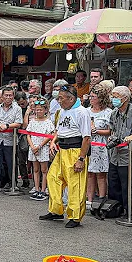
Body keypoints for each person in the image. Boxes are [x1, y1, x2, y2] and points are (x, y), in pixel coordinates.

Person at [39, 84, 91, 228]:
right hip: (62, 149)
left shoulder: (82, 112)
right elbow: (59, 129)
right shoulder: (62, 111)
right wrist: (53, 141)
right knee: (54, 178)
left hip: (75, 150)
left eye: (61, 98)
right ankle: (56, 210)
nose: (59, 101)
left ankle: (75, 216)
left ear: (71, 98)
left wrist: (81, 158)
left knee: (75, 184)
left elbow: (86, 138)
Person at [106, 85, 132, 217]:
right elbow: (112, 129)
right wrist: (111, 137)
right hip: (115, 153)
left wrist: (131, 138)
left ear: (125, 98)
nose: (113, 99)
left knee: (128, 183)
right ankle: (115, 208)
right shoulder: (114, 112)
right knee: (113, 181)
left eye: (115, 97)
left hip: (129, 153)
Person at [0, 87, 23, 192]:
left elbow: (19, 123)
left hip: (10, 140)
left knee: (11, 163)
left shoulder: (17, 109)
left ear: (13, 96)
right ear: (2, 96)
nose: (8, 97)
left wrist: (7, 126)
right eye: (6, 95)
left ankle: (13, 183)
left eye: (10, 95)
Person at [86, 84, 112, 210]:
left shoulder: (108, 112)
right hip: (88, 145)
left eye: (94, 97)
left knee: (101, 174)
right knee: (89, 173)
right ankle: (89, 200)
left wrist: (97, 131)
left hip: (101, 145)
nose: (91, 98)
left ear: (101, 98)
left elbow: (111, 131)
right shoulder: (86, 111)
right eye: (90, 96)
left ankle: (101, 199)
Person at [26, 96, 54, 201]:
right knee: (36, 169)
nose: (39, 111)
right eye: (37, 109)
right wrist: (32, 146)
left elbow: (50, 135)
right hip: (33, 147)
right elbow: (28, 134)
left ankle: (43, 190)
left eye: (41, 109)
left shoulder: (48, 122)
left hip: (43, 147)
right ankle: (36, 189)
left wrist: (40, 146)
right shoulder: (33, 121)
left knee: (44, 170)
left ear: (45, 110)